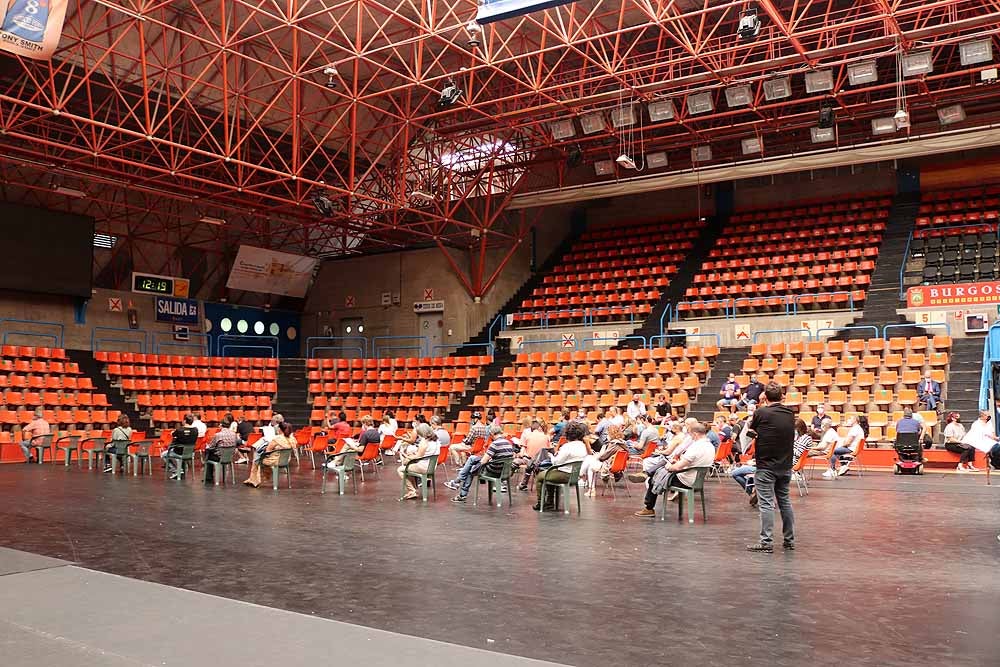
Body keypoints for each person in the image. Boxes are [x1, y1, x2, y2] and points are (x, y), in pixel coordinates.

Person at [744, 382, 796, 552]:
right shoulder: (790, 413)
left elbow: (751, 431)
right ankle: (789, 540)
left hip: (766, 465)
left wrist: (760, 403)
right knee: (785, 502)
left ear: (765, 396)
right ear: (782, 396)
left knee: (766, 504)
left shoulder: (761, 412)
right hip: (785, 465)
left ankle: (766, 542)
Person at [633, 421, 714, 517]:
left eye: (690, 434)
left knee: (654, 478)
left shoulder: (696, 447)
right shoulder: (710, 446)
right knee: (663, 468)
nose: (690, 437)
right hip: (698, 480)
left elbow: (677, 468)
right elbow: (695, 463)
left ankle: (649, 508)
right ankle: (647, 473)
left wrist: (670, 467)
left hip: (685, 480)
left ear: (695, 434)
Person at [448, 425, 516, 502]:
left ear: (492, 434)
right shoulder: (508, 443)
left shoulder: (495, 444)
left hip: (494, 471)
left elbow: (483, 461)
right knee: (472, 459)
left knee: (472, 469)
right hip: (504, 471)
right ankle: (457, 482)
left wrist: (480, 463)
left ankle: (460, 488)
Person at [533, 421, 589, 511]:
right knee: (549, 474)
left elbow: (556, 463)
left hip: (565, 475)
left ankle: (541, 503)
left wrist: (551, 456)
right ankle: (549, 502)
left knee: (540, 476)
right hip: (575, 476)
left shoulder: (567, 446)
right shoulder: (582, 445)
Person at [243, 422, 295, 487]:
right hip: (286, 460)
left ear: (280, 429)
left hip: (275, 460)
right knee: (258, 457)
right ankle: (256, 478)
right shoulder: (292, 439)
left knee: (257, 456)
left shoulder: (277, 439)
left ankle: (254, 480)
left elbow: (268, 450)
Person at [397, 423, 441, 500]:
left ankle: (412, 490)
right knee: (408, 467)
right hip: (432, 466)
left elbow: (418, 457)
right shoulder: (436, 440)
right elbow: (425, 453)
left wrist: (407, 456)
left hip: (423, 467)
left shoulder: (424, 441)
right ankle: (414, 490)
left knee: (401, 469)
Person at [582, 424, 628, 496]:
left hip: (609, 466)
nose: (606, 436)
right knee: (590, 459)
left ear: (611, 434)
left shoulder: (614, 444)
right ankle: (581, 476)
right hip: (618, 466)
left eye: (607, 434)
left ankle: (591, 490)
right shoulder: (623, 443)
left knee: (590, 466)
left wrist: (597, 456)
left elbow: (603, 457)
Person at [822, 415, 866, 479]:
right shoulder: (858, 428)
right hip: (853, 448)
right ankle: (843, 466)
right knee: (837, 451)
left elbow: (848, 442)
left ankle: (832, 470)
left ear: (855, 420)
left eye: (850, 418)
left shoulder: (855, 429)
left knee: (832, 451)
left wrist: (841, 445)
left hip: (851, 448)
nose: (849, 420)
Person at [515, 420, 550, 491]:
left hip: (529, 461)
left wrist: (519, 455)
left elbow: (522, 452)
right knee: (531, 463)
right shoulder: (546, 437)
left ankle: (504, 482)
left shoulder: (528, 436)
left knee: (515, 462)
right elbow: (548, 450)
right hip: (541, 462)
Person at [204, 414, 239, 482]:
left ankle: (208, 477)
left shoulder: (218, 435)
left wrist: (207, 446)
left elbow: (211, 446)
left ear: (221, 425)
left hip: (219, 457)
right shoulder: (234, 434)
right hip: (229, 457)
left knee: (208, 453)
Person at [163, 413, 198, 478]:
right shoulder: (196, 430)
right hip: (190, 453)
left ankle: (176, 470)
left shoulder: (180, 430)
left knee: (163, 454)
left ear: (184, 421)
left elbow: (173, 434)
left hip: (179, 453)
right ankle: (181, 470)